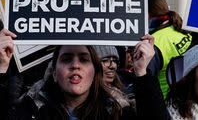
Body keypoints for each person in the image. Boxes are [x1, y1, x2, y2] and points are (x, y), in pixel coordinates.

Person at [0, 29, 170, 120]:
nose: (75, 65)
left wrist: (141, 73)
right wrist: (1, 69)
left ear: (95, 72)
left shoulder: (117, 113)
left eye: (83, 59)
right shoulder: (29, 112)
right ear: (53, 73)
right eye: (66, 59)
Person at [147, 0, 192, 98]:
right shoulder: (181, 29)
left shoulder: (154, 42)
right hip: (187, 99)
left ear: (147, 15)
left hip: (166, 104)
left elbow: (147, 84)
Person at [93, 45, 134, 109]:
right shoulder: (86, 99)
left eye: (115, 61)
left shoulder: (126, 90)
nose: (113, 66)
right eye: (105, 60)